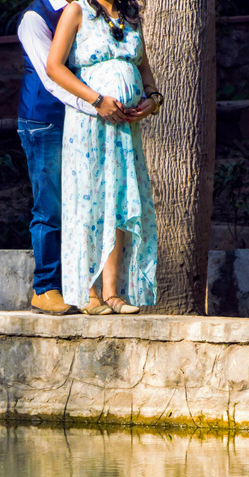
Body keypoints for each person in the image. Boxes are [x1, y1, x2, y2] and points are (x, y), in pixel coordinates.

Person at [47, 0, 161, 315]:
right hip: (89, 123)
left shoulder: (131, 15)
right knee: (90, 199)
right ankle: (88, 292)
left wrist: (152, 99)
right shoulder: (76, 10)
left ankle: (112, 293)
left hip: (125, 128)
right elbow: (54, 66)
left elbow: (143, 69)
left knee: (120, 200)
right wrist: (97, 100)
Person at [17, 0, 99, 315]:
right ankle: (45, 289)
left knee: (83, 202)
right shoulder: (35, 18)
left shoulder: (87, 9)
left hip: (80, 117)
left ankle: (82, 287)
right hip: (45, 122)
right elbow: (52, 78)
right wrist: (97, 105)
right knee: (50, 207)